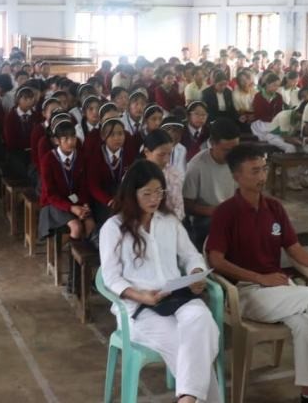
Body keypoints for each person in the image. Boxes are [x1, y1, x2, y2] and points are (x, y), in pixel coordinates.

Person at [207, 144, 308, 401]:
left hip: (277, 289)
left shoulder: (274, 208)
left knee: (304, 324)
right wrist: (258, 278)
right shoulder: (225, 213)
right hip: (245, 292)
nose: (262, 177)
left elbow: (294, 249)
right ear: (237, 176)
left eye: (264, 169)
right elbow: (215, 260)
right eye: (254, 171)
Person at [99, 160, 221, 403]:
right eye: (147, 193)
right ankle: (192, 399)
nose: (154, 199)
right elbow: (111, 277)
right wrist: (141, 295)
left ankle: (187, 399)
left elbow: (190, 255)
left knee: (202, 320)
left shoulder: (169, 221)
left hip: (179, 297)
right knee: (189, 348)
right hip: (141, 308)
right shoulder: (113, 228)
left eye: (159, 192)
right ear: (131, 194)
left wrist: (196, 271)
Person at [182, 118, 240, 250]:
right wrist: (216, 211)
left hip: (232, 211)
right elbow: (187, 205)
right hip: (206, 217)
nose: (233, 155)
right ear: (212, 143)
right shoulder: (197, 165)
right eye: (226, 150)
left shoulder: (239, 161)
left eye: (235, 148)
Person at [37, 117, 92, 241]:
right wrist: (72, 208)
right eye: (66, 138)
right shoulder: (48, 159)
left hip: (76, 201)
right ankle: (73, 259)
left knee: (90, 224)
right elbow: (50, 194)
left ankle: (82, 257)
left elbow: (83, 187)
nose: (71, 142)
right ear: (57, 140)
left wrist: (84, 205)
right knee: (76, 227)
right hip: (54, 204)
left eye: (73, 137)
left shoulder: (80, 157)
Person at [83, 118, 134, 227]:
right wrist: (108, 201)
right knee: (111, 219)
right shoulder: (96, 156)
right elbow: (93, 186)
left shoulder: (129, 153)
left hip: (124, 195)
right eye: (111, 135)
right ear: (103, 137)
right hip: (103, 199)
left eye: (120, 134)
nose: (117, 138)